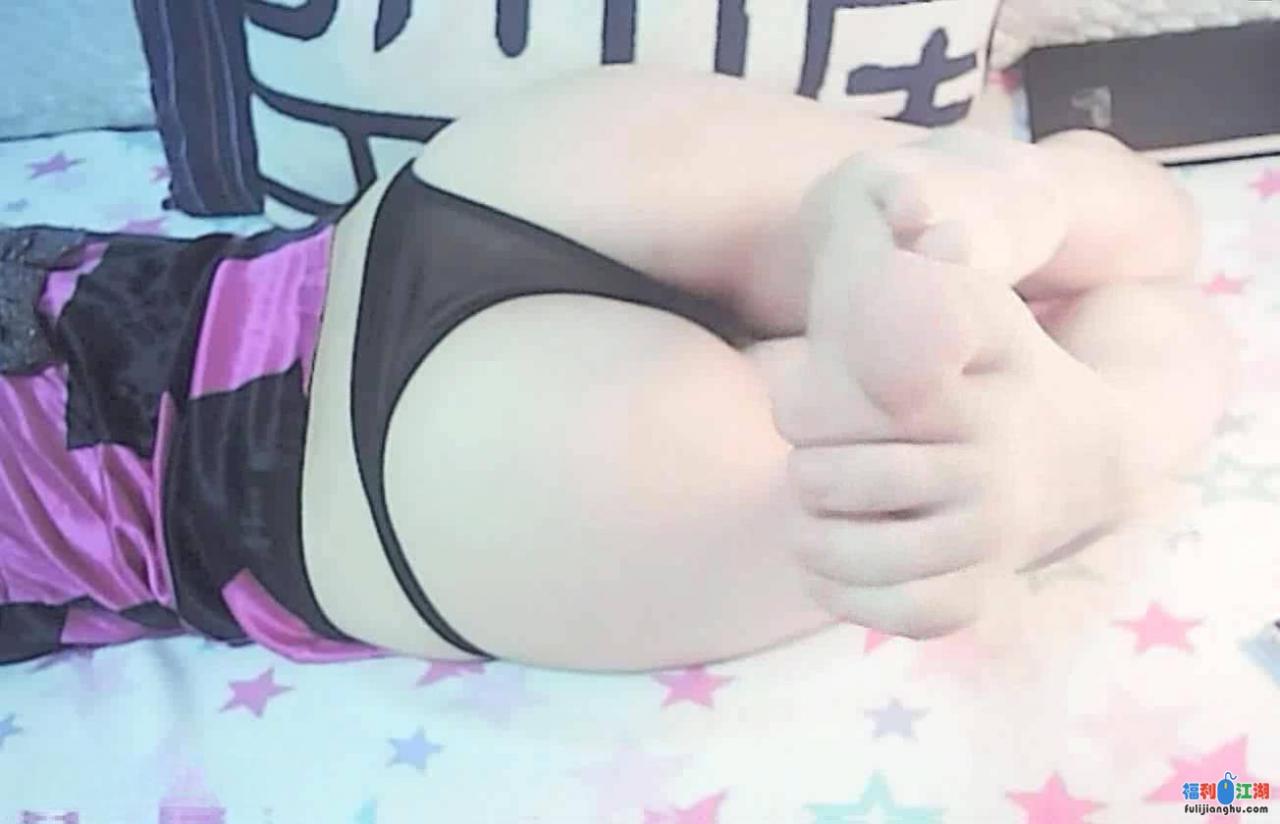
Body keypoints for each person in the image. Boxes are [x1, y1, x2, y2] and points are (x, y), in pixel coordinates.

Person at [0, 67, 1233, 670]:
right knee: (1122, 227)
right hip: (463, 195)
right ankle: (983, 207)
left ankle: (1099, 436)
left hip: (370, 493)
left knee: (1105, 378)